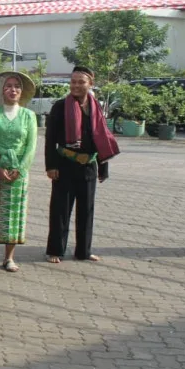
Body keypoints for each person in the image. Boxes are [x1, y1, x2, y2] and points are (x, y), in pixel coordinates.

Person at [45, 66, 120, 264]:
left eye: (81, 82)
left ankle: (83, 251)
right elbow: (50, 138)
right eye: (73, 82)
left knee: (86, 210)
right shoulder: (60, 106)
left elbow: (102, 139)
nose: (76, 86)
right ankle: (56, 250)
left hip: (89, 166)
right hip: (64, 164)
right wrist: (51, 166)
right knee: (61, 209)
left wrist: (103, 166)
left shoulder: (97, 107)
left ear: (90, 84)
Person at [0, 71, 38, 274]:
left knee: (13, 213)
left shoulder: (29, 116)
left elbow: (31, 146)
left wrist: (20, 169)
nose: (13, 90)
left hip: (18, 172)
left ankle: (8, 258)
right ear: (1, 90)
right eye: (8, 86)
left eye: (16, 86)